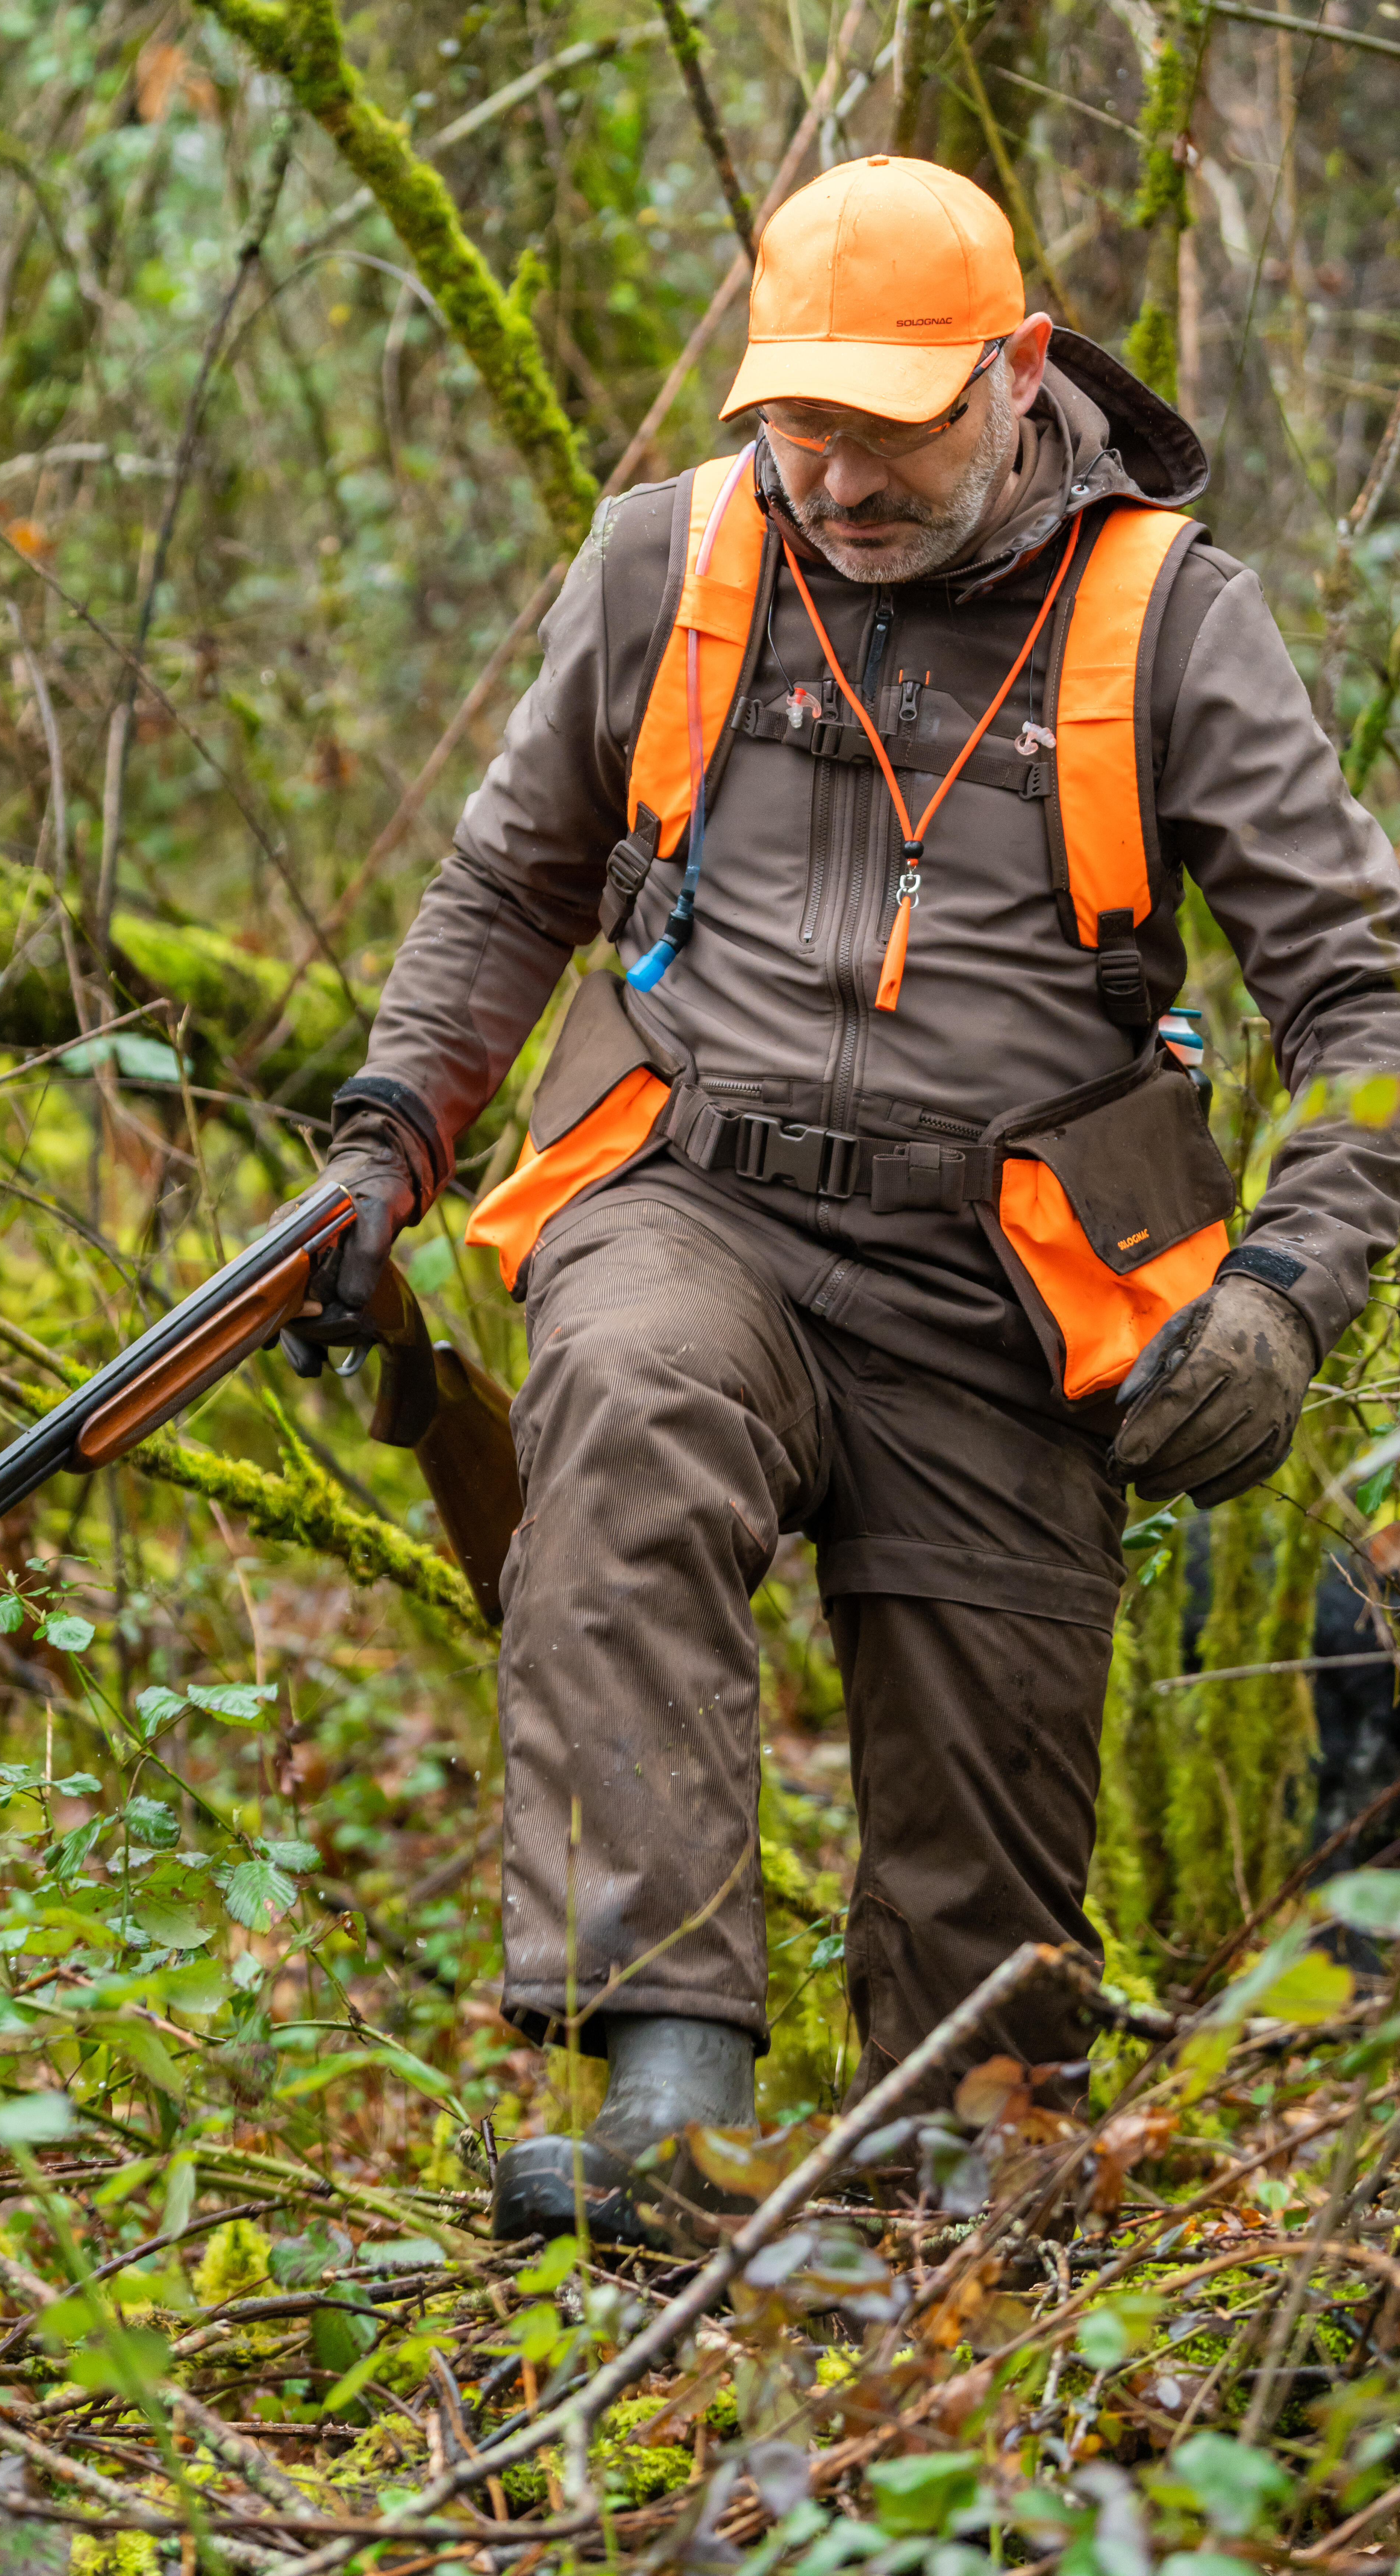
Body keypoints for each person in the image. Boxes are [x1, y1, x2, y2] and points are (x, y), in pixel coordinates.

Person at [305, 156, 1400, 2240]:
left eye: (891, 426)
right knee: (628, 1402)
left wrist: (1287, 1290)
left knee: (981, 2022)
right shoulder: (663, 565)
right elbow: (508, 884)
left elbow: (1365, 993)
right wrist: (389, 1134)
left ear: (1014, 374)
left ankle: (922, 2238)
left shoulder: (1176, 620)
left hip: (1006, 1285)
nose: (838, 471)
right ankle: (671, 2103)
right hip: (683, 1194)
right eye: (800, 419)